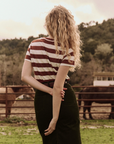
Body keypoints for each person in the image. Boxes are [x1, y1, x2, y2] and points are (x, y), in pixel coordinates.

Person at [21, 5, 82, 144]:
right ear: (68, 26)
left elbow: (25, 76)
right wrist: (55, 118)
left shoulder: (33, 45)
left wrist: (47, 90)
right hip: (64, 98)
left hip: (42, 99)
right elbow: (58, 87)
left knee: (49, 141)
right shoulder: (67, 49)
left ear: (48, 23)